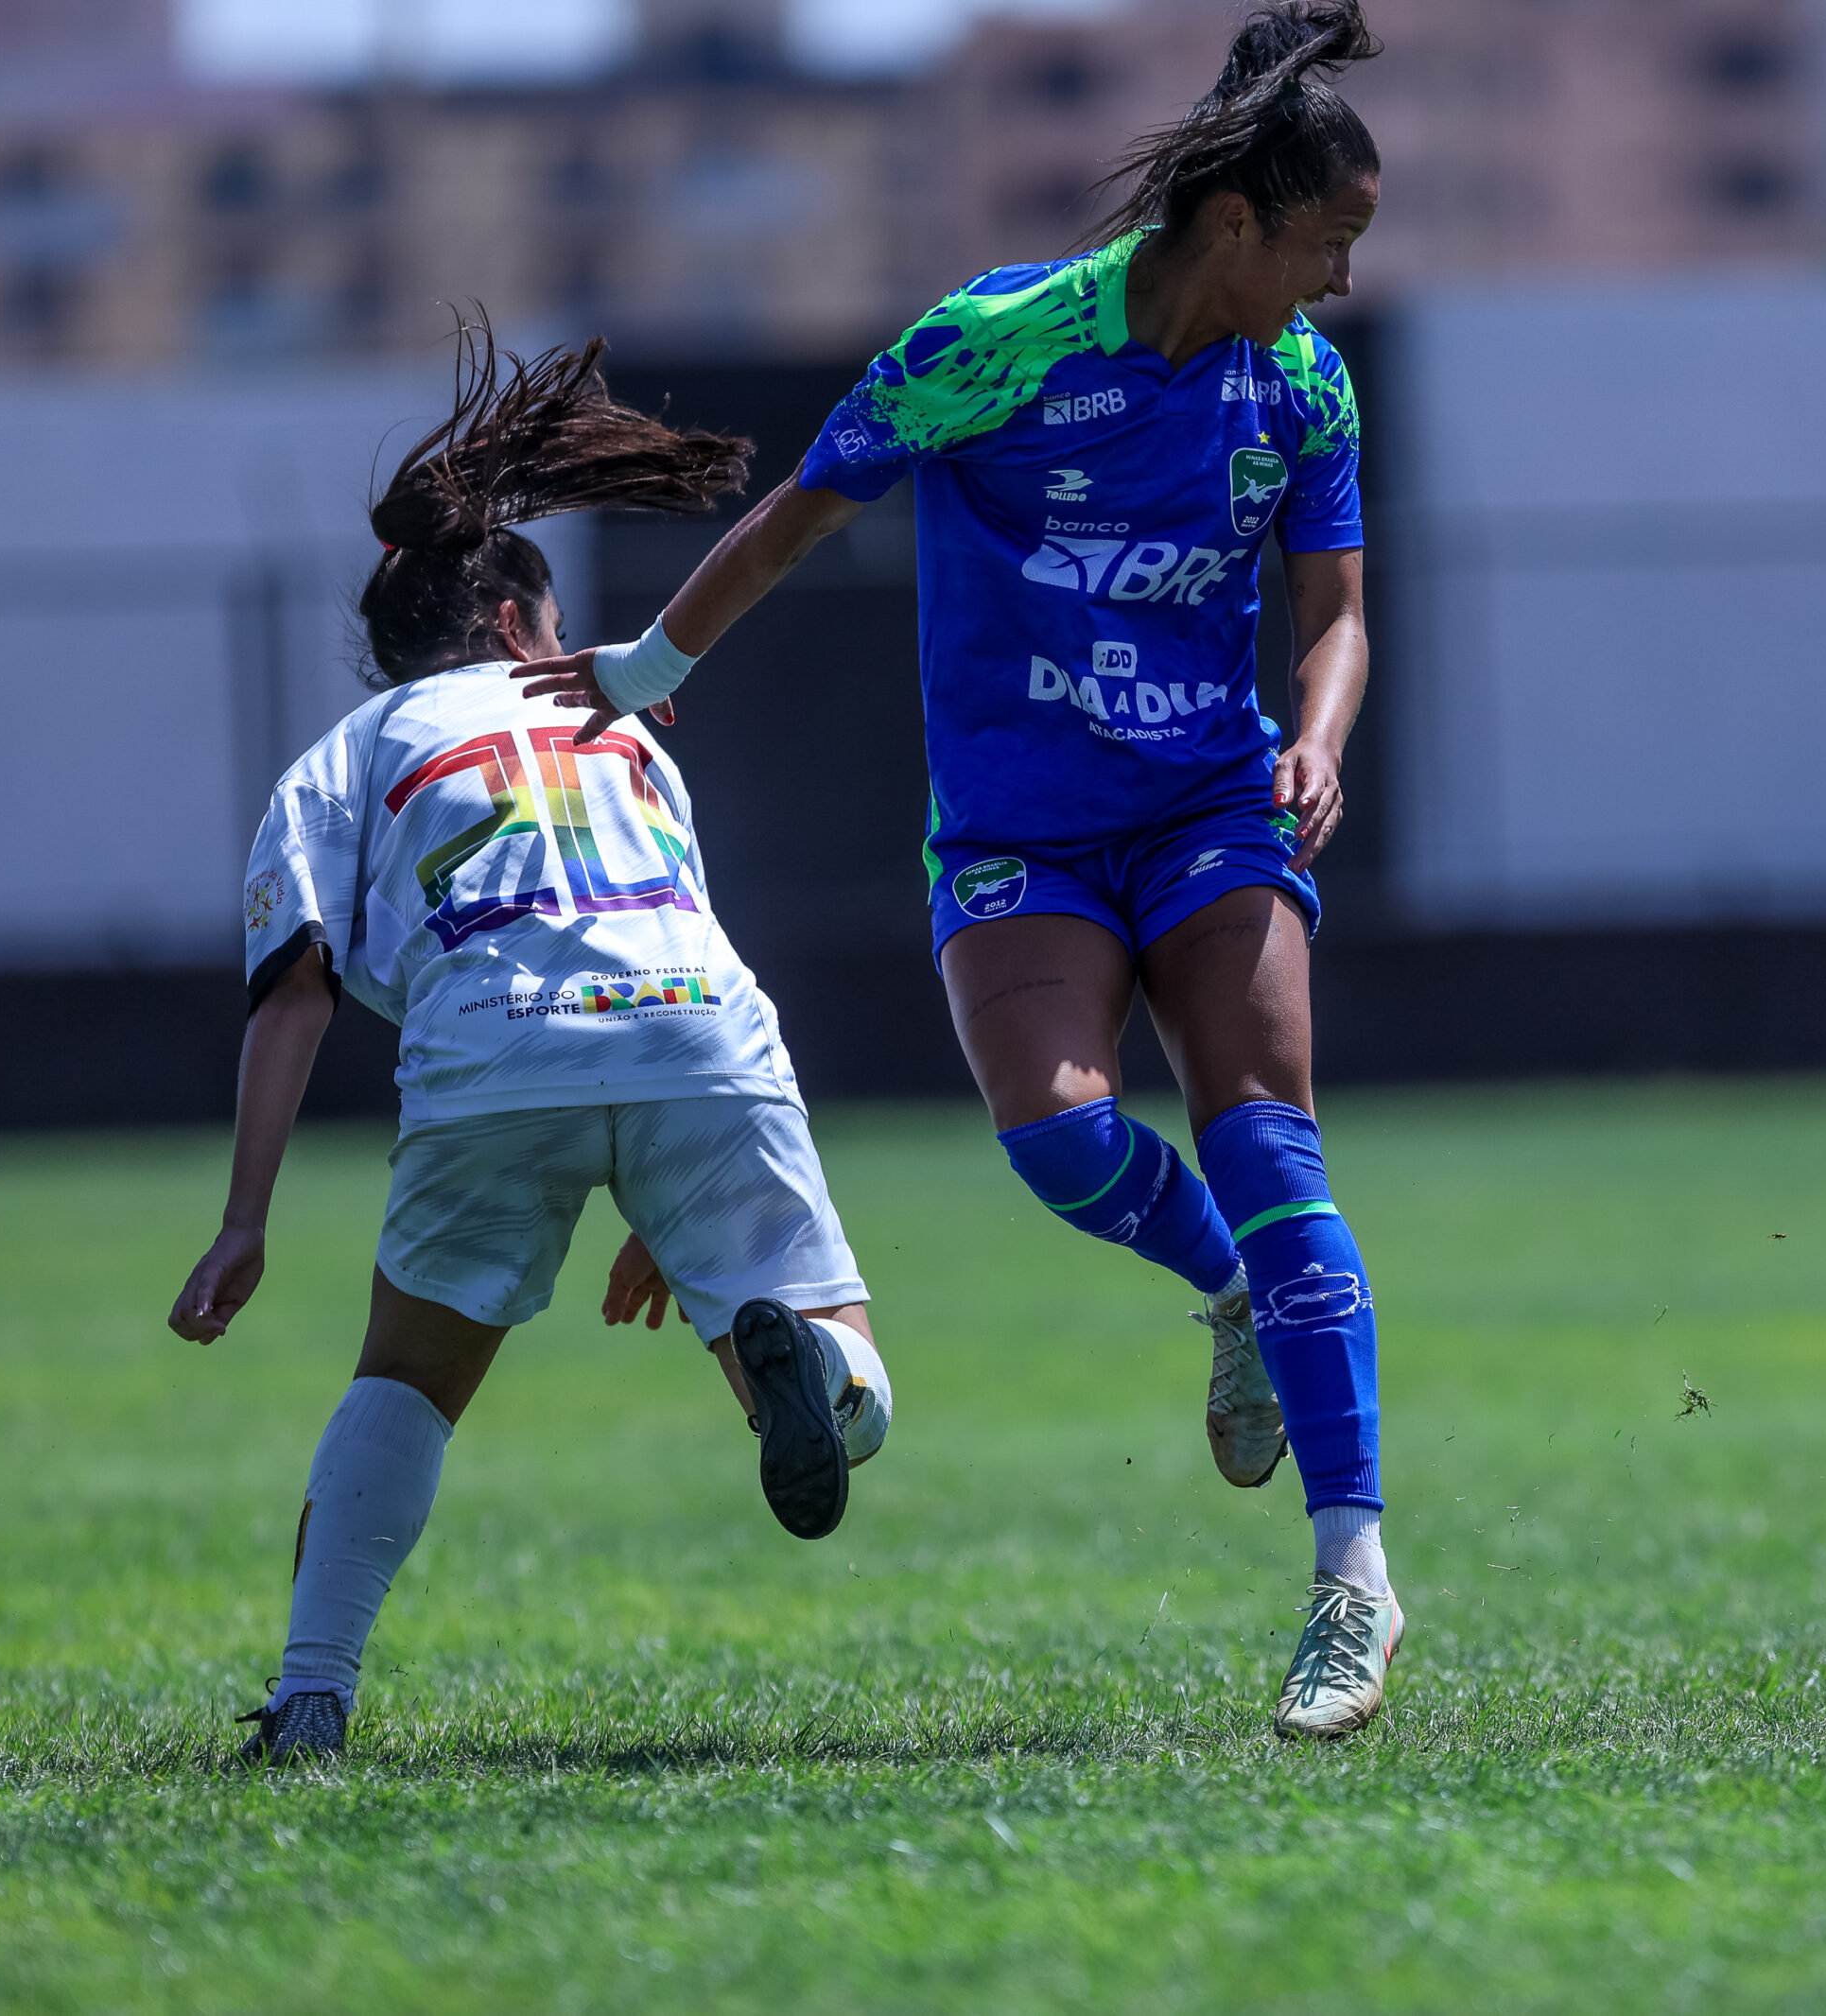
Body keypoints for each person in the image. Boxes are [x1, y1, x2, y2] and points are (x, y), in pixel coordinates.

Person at [518, 2, 1395, 1736]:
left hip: (1217, 806)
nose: (1343, 283)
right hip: (1019, 830)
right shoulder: (995, 342)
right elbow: (798, 516)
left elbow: (1338, 612)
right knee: (1060, 1138)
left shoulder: (1297, 381)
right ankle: (1232, 1293)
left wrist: (1320, 735)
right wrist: (641, 673)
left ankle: (1353, 1586)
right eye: (1327, 243)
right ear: (1235, 225)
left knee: (1268, 1134)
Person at [167, 324, 894, 1764]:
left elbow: (296, 988)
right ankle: (823, 1379)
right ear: (516, 624)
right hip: (695, 1038)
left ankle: (312, 1695)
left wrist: (244, 1222)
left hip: (493, 1055)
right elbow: (665, 928)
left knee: (405, 1386)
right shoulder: (629, 732)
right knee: (831, 1345)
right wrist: (661, 1191)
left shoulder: (346, 756)